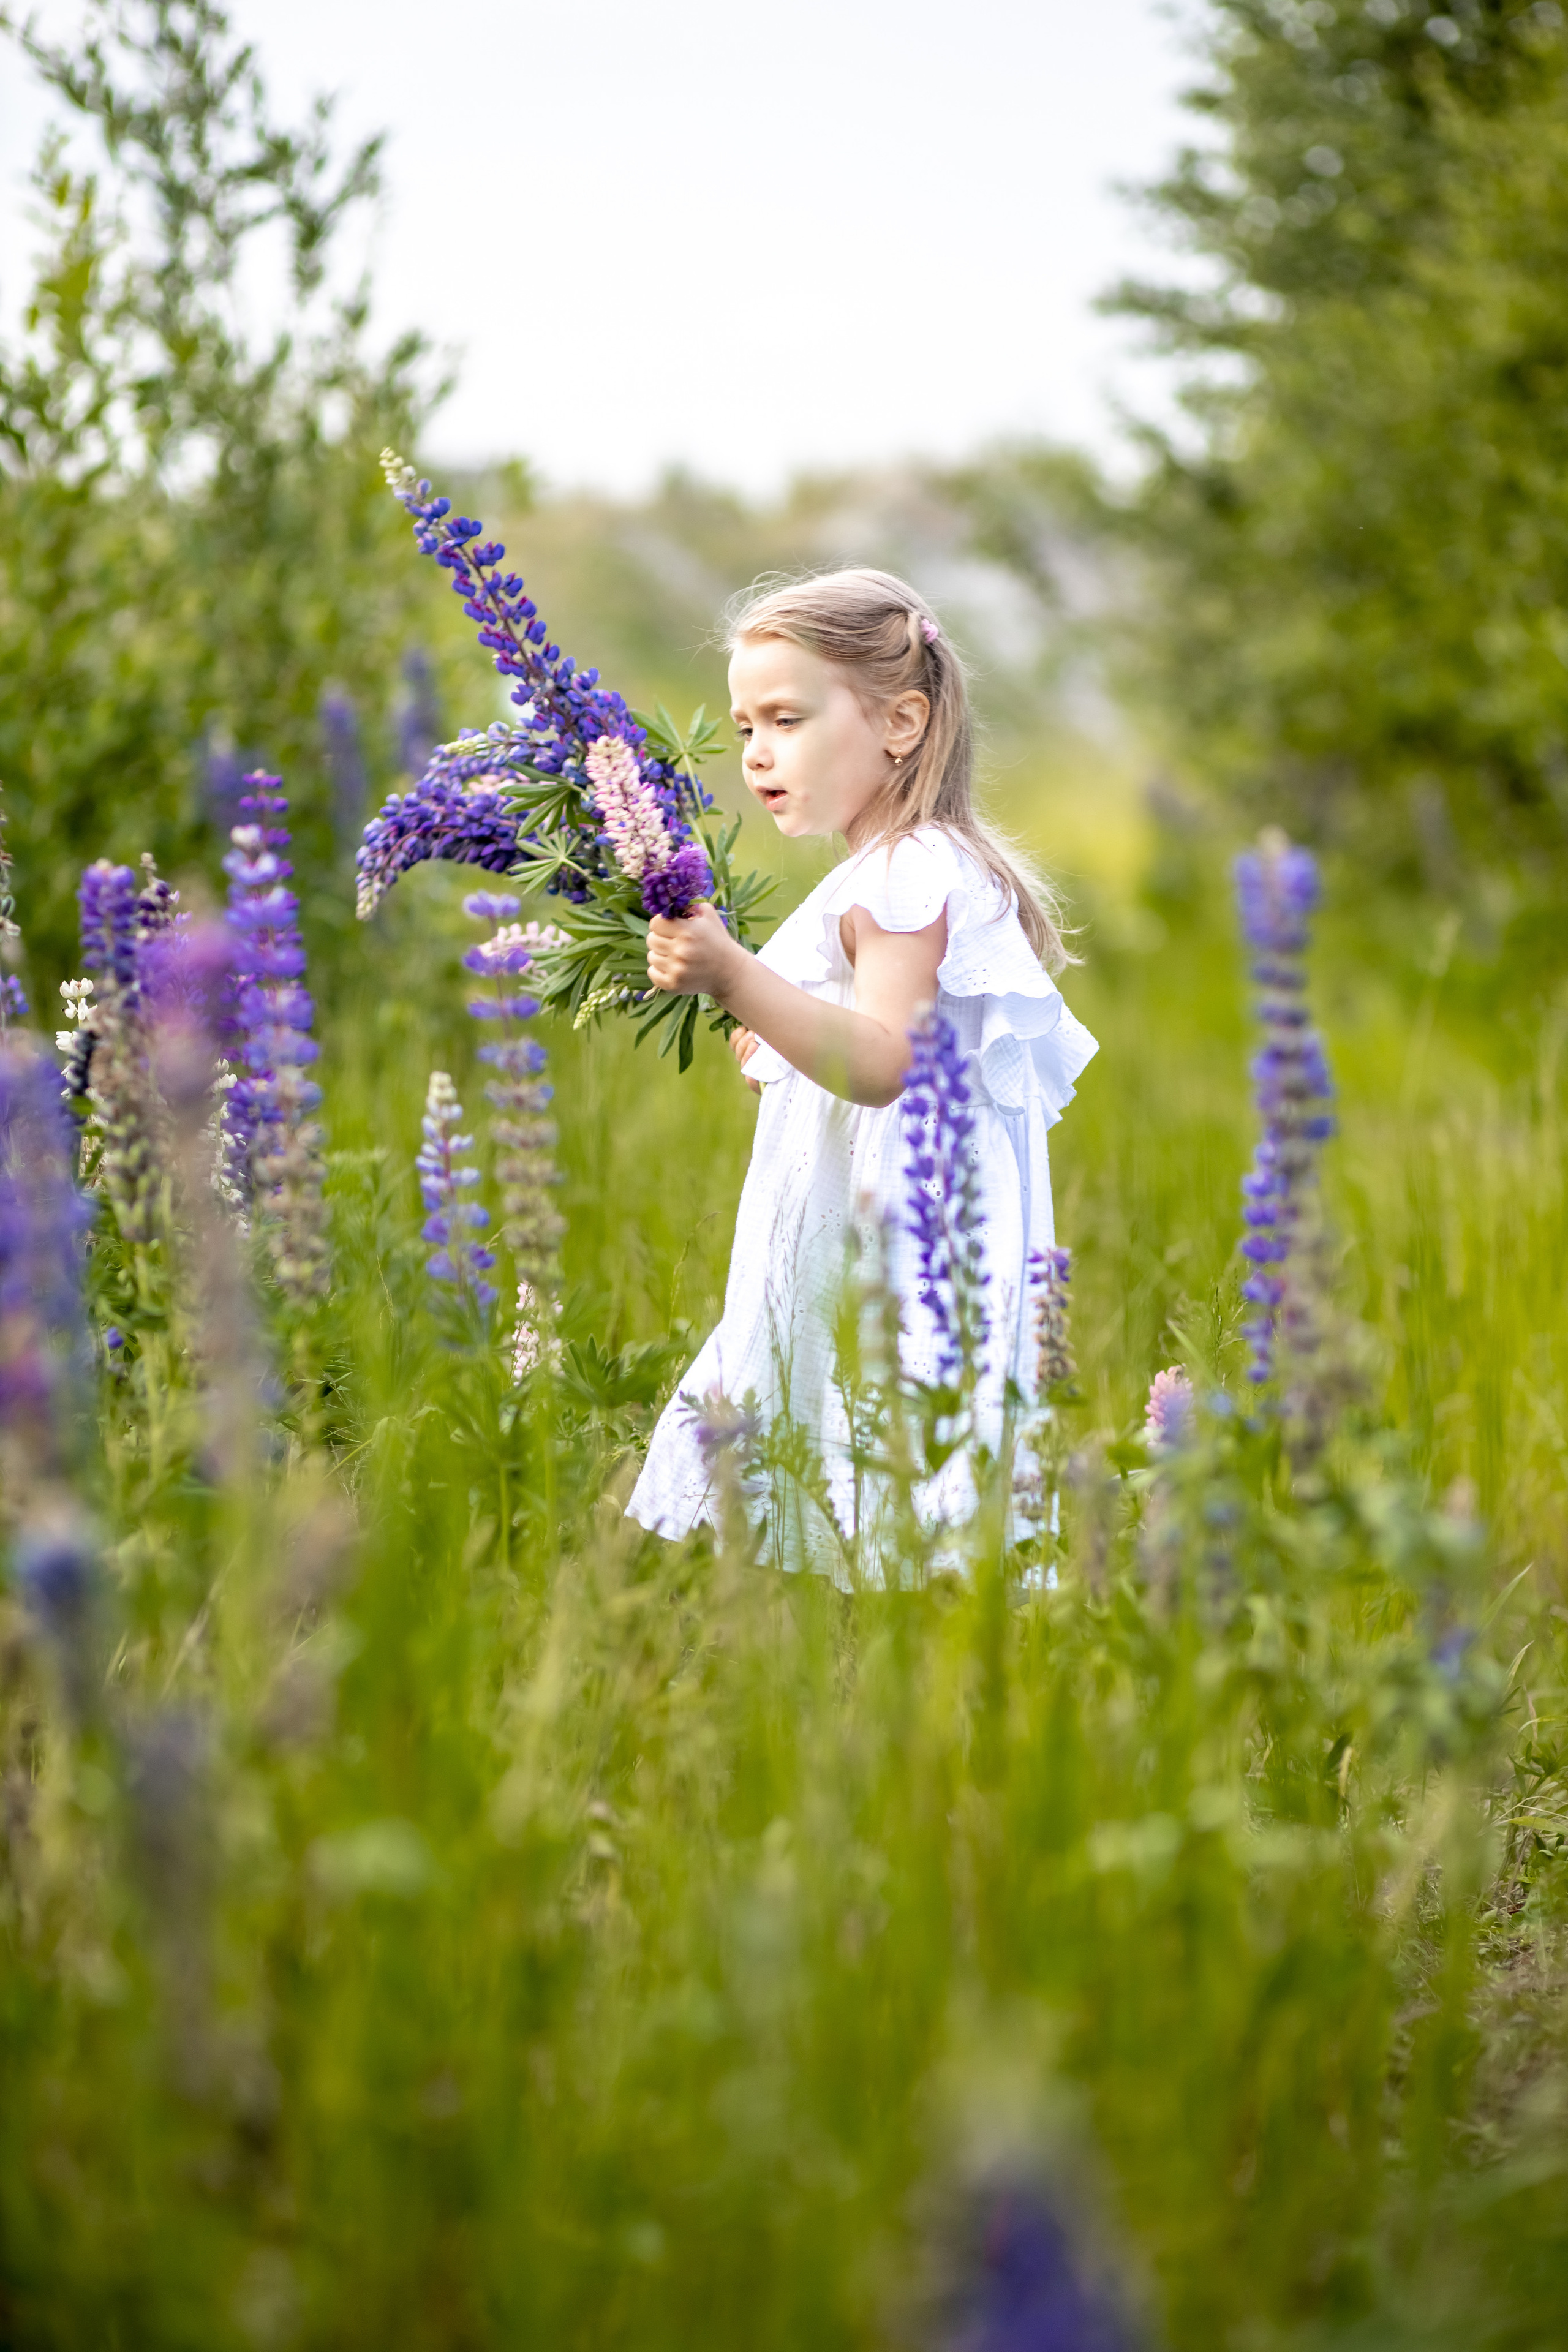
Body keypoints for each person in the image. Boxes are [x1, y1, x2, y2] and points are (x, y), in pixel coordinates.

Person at [624, 568, 1097, 1560]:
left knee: (865, 1427)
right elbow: (860, 1028)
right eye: (745, 725)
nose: (755, 753)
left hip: (899, 1239)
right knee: (859, 1446)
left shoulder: (906, 872)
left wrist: (733, 977)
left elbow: (887, 1061)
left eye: (787, 719)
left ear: (900, 723)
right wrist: (780, 1028)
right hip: (891, 1224)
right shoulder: (900, 867)